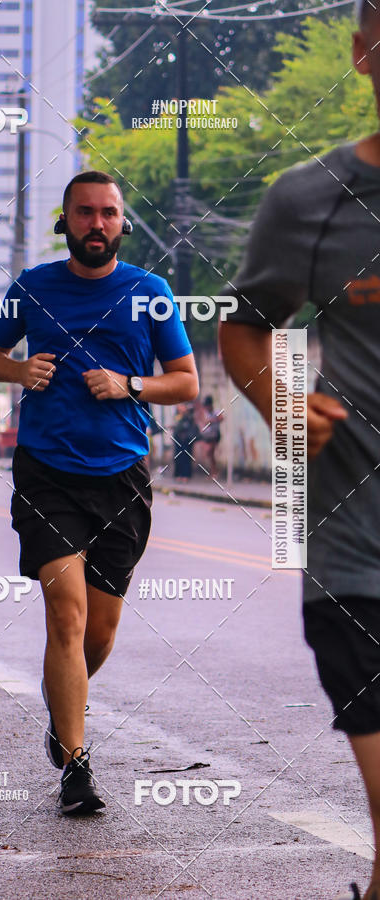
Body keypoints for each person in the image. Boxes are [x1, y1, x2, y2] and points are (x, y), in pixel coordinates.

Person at [0, 170, 198, 815]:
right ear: (65, 220)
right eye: (84, 213)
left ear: (122, 222)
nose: (96, 223)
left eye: (108, 213)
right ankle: (75, 764)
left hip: (122, 476)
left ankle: (60, 708)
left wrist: (130, 384)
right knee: (65, 614)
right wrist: (18, 369)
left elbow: (185, 383)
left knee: (98, 631)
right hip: (46, 471)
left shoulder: (150, 292)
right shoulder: (35, 286)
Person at [219, 3, 380, 896]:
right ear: (362, 54)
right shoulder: (310, 198)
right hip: (356, 536)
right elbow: (244, 328)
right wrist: (285, 402)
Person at [197, 395, 224, 479]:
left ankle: (215, 471)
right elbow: (202, 421)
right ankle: (213, 471)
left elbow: (221, 418)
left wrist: (211, 421)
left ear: (210, 405)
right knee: (211, 455)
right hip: (208, 436)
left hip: (215, 435)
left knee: (209, 451)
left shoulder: (216, 412)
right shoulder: (206, 413)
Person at [172, 404, 200, 481]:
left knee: (186, 457)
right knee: (178, 457)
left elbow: (191, 426)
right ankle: (178, 474)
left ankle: (186, 475)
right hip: (178, 440)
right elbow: (175, 426)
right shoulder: (177, 416)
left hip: (186, 440)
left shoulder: (189, 416)